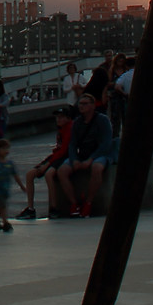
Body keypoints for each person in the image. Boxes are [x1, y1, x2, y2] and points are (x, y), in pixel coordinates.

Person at [55, 88, 114, 217]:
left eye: (85, 104)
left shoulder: (103, 120)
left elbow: (106, 144)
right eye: (80, 104)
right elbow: (72, 144)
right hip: (82, 154)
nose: (82, 107)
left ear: (93, 106)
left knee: (97, 168)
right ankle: (74, 203)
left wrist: (91, 159)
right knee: (62, 170)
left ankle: (89, 202)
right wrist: (74, 159)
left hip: (99, 154)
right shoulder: (77, 123)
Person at [29, 107, 75, 218]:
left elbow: (64, 150)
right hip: (56, 156)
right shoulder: (60, 130)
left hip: (64, 157)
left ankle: (53, 207)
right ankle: (30, 208)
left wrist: (47, 165)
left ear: (68, 118)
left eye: (61, 117)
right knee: (30, 174)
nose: (58, 120)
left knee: (49, 174)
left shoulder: (70, 128)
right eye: (57, 117)